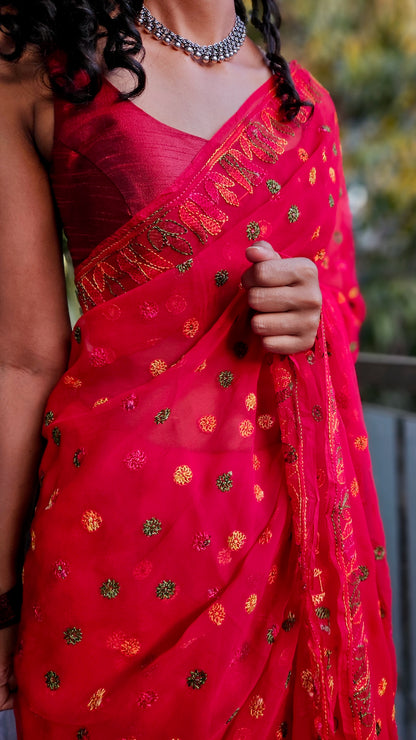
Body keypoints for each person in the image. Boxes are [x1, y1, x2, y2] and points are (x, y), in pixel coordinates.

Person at [0, 1, 397, 737]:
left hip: (277, 558)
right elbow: (20, 360)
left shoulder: (304, 108)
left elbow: (341, 301)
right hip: (107, 552)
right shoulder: (36, 70)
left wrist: (312, 314)